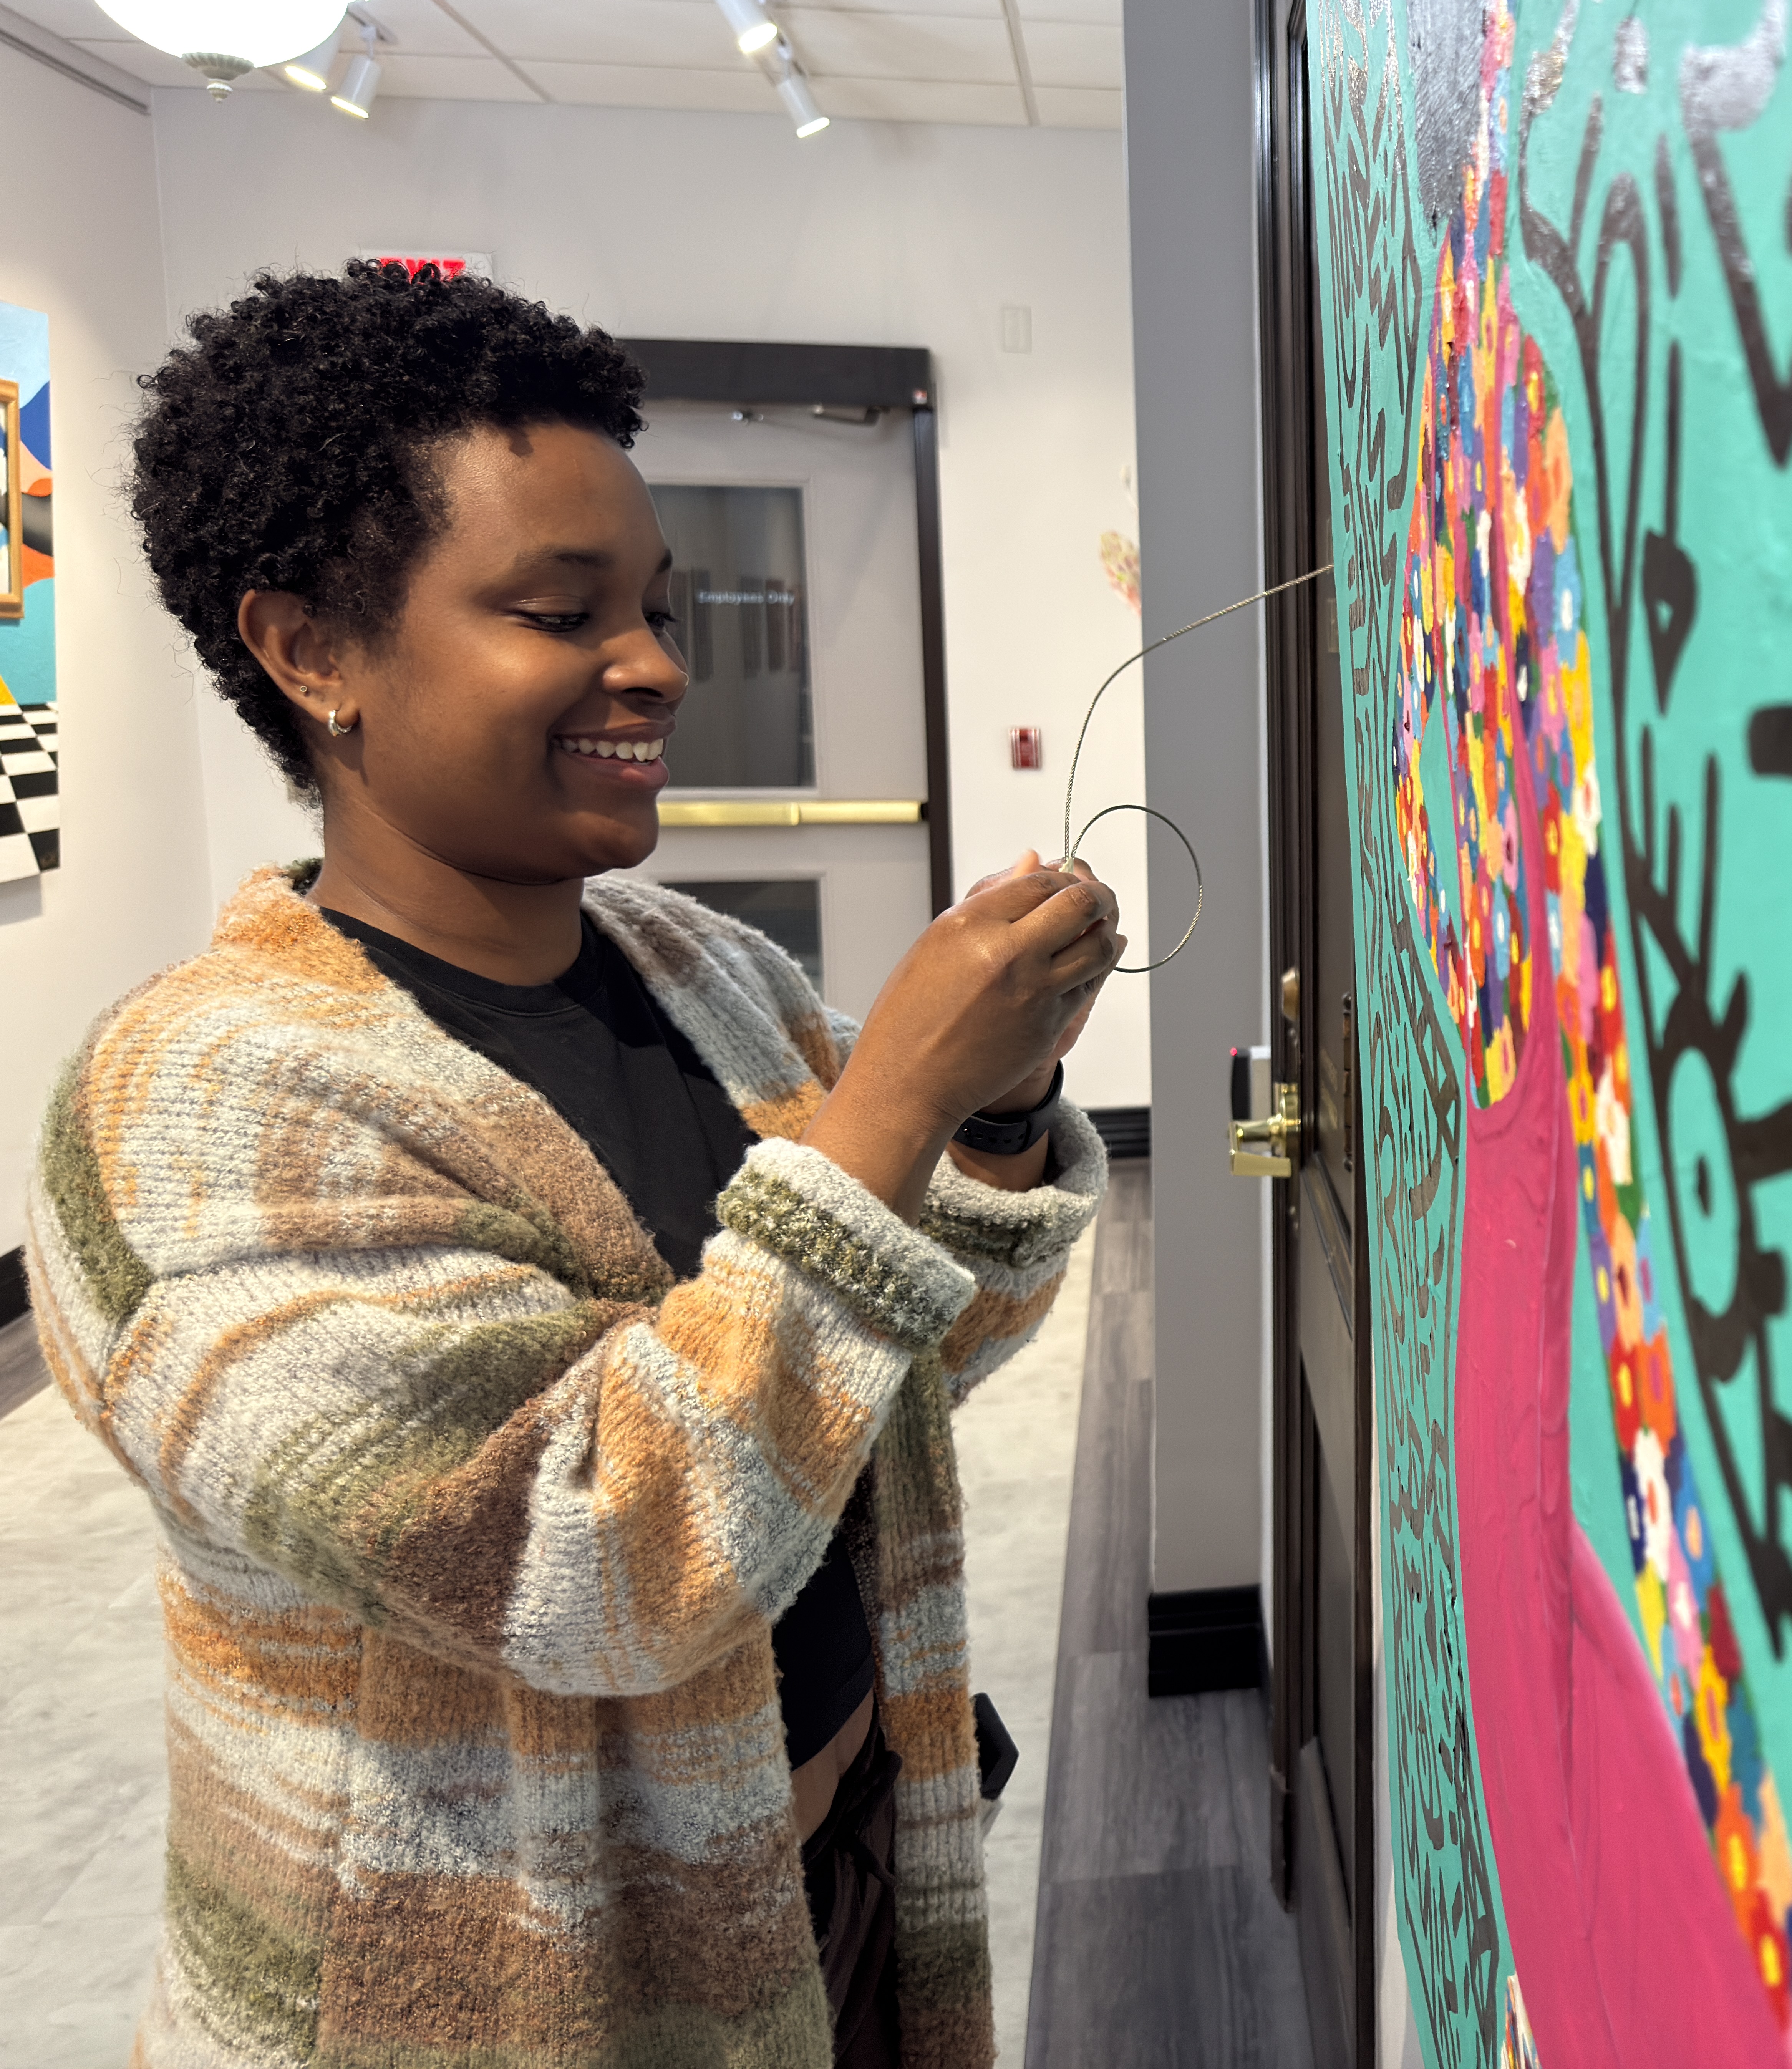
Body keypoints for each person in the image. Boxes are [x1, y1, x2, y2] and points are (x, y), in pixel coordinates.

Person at [23, 262, 1120, 2069]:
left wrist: (986, 1116)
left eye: (658, 606)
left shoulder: (710, 976)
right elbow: (590, 1565)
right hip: (498, 1997)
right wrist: (884, 1117)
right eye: (560, 610)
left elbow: (895, 1374)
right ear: (312, 652)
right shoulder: (195, 1107)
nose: (658, 667)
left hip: (820, 1887)